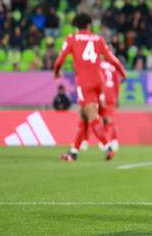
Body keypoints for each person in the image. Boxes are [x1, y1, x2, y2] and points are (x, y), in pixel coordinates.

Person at [54, 12, 127, 161]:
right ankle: (73, 152)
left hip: (84, 83)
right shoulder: (98, 39)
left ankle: (108, 147)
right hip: (99, 82)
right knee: (83, 116)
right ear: (88, 25)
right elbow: (111, 58)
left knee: (91, 116)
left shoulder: (72, 38)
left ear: (76, 25)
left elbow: (60, 59)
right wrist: (122, 72)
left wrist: (56, 72)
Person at [98, 59, 125, 151]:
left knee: (106, 120)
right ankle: (113, 140)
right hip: (111, 95)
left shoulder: (98, 65)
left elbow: (98, 81)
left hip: (103, 94)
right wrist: (117, 97)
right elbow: (117, 83)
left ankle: (107, 142)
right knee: (109, 119)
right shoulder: (113, 67)